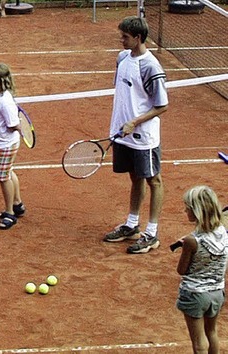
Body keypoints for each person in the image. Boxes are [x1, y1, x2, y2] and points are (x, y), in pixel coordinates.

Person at [102, 16, 169, 254]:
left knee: (154, 180)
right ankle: (132, 225)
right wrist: (121, 125)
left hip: (144, 136)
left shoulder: (151, 66)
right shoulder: (122, 59)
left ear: (138, 38)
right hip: (123, 133)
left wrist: (134, 122)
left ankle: (151, 233)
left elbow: (162, 105)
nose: (121, 40)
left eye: (125, 37)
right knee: (135, 178)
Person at [175, 185, 227, 354]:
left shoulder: (191, 241)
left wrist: (186, 247)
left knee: (199, 343)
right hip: (217, 293)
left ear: (197, 212)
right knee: (212, 332)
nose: (185, 210)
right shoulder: (223, 232)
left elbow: (182, 270)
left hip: (195, 295)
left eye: (187, 208)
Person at [0, 63, 26, 230]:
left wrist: (16, 128)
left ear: (0, 81)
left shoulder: (5, 101)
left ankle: (10, 213)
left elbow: (13, 124)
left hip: (4, 144)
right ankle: (17, 204)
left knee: (3, 177)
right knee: (8, 171)